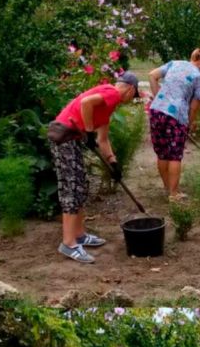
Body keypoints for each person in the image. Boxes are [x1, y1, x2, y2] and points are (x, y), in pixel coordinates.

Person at [48, 72, 140, 263]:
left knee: (80, 185)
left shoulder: (109, 107)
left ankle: (79, 235)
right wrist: (88, 132)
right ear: (131, 88)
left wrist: (113, 163)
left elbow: (103, 140)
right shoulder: (112, 92)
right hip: (64, 137)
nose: (132, 100)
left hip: (72, 140)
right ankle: (69, 243)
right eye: (135, 96)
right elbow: (86, 103)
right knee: (71, 189)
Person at [147, 48, 200, 202]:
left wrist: (158, 97)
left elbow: (152, 75)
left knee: (162, 152)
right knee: (174, 155)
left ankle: (168, 188)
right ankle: (174, 194)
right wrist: (188, 125)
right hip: (176, 116)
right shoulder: (199, 78)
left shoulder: (175, 63)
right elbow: (195, 106)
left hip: (156, 111)